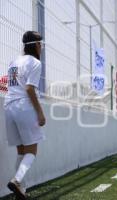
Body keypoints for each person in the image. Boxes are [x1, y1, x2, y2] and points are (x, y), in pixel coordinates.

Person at [4, 31, 46, 200]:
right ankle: (17, 180)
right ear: (36, 45)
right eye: (40, 44)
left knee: (21, 151)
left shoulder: (13, 62)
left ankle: (21, 190)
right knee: (32, 150)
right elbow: (29, 89)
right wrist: (40, 113)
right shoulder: (35, 63)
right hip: (24, 107)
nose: (41, 47)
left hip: (9, 107)